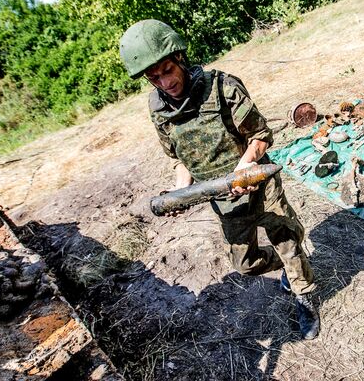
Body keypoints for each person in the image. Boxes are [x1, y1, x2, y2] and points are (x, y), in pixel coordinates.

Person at [119, 19, 319, 339]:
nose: (164, 82)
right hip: (224, 201)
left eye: (167, 70)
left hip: (259, 184)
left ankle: (304, 294)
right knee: (245, 264)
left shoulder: (223, 87)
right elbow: (181, 160)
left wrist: (243, 170)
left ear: (180, 59)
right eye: (153, 77)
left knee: (287, 240)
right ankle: (287, 266)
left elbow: (261, 136)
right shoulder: (158, 109)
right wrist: (180, 190)